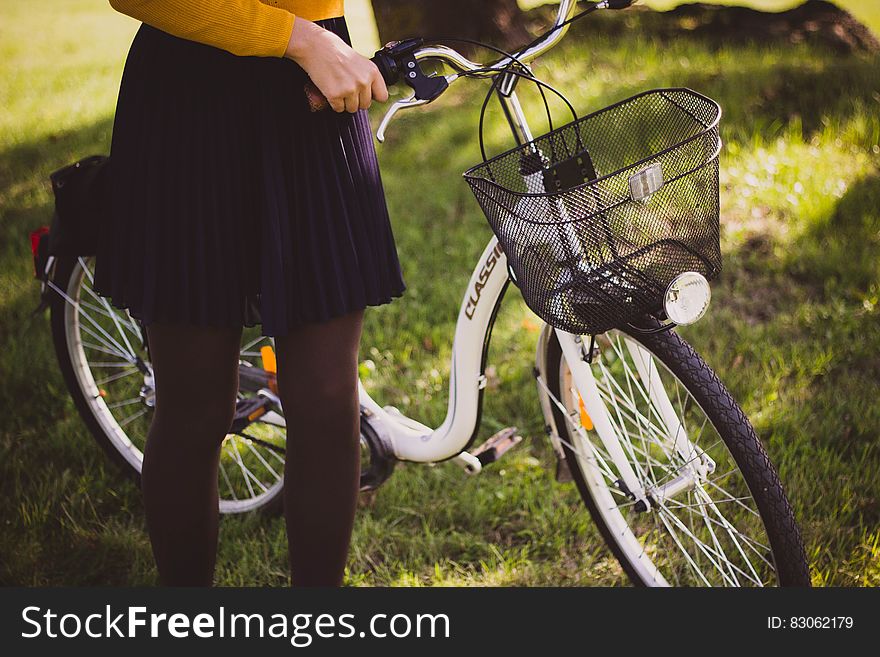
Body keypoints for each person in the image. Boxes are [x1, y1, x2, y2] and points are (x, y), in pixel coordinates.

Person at [93, 0, 406, 586]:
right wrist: (300, 40)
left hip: (316, 87)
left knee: (329, 397)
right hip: (192, 97)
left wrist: (315, 45)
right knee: (197, 403)